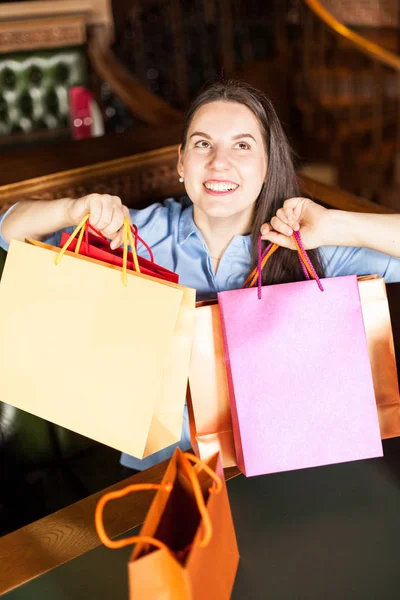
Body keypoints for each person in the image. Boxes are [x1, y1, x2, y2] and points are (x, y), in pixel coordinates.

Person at [1, 79, 400, 472]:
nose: (219, 161)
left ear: (268, 166)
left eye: (242, 145)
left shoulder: (308, 243)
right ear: (181, 162)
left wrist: (339, 225)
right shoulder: (135, 236)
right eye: (202, 143)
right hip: (166, 472)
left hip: (291, 462)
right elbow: (9, 232)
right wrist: (71, 210)